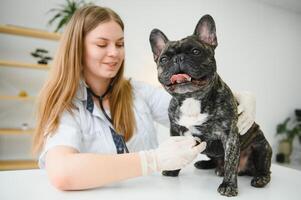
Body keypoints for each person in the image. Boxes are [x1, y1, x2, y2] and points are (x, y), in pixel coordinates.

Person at [32, 5, 256, 191]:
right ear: (77, 49)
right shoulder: (65, 105)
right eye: (102, 44)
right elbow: (63, 173)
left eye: (120, 44)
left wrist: (239, 96)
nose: (114, 53)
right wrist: (153, 160)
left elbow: (190, 108)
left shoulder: (138, 92)